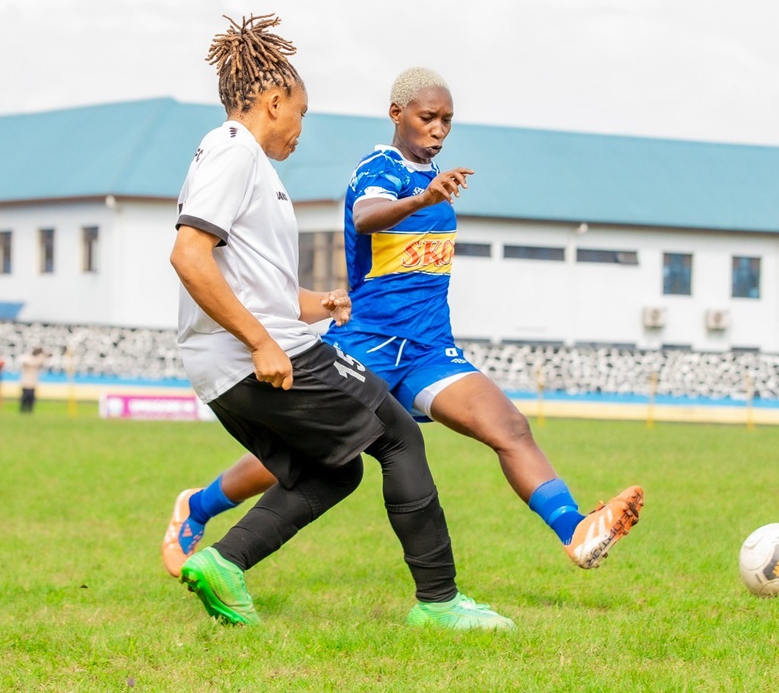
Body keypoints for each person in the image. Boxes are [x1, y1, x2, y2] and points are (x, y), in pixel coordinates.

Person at [163, 65, 644, 582]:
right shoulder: (381, 167)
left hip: (429, 350)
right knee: (310, 457)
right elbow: (367, 216)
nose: (438, 129)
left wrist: (426, 199)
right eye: (427, 117)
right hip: (367, 343)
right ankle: (199, 506)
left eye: (447, 121)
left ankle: (575, 531)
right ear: (397, 114)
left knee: (509, 427)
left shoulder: (431, 181)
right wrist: (422, 199)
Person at [168, 13, 512, 631]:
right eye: (300, 112)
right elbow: (189, 257)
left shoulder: (242, 162)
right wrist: (262, 341)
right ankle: (439, 602)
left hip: (225, 364)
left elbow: (249, 280)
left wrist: (317, 303)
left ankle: (224, 562)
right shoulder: (234, 151)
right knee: (400, 437)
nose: (301, 128)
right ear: (275, 102)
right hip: (255, 354)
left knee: (334, 470)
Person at [19, 347, 49, 413]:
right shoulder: (28, 358)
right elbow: (29, 362)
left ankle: (29, 410)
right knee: (25, 398)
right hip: (26, 382)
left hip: (32, 382)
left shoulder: (37, 360)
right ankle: (23, 410)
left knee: (31, 398)